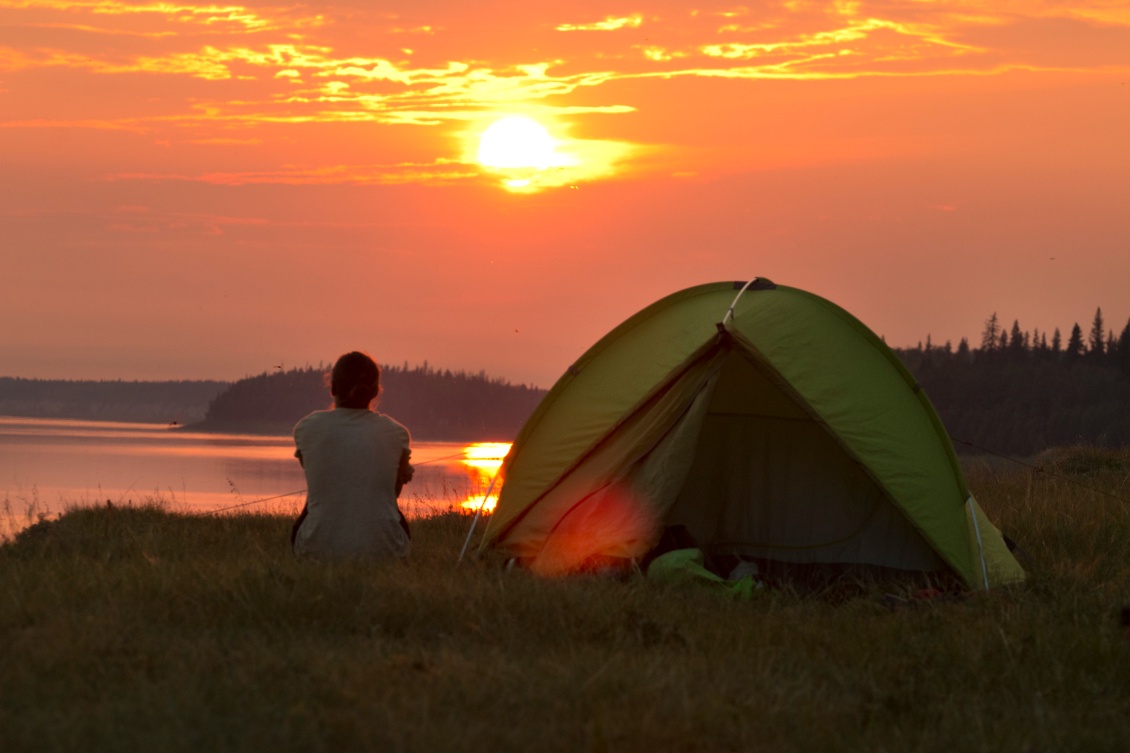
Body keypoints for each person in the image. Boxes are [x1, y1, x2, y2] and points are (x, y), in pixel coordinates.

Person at [291, 351, 414, 560]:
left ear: (332, 388)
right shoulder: (397, 433)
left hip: (315, 550)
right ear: (375, 391)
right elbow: (390, 496)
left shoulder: (306, 428)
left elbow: (317, 487)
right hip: (387, 552)